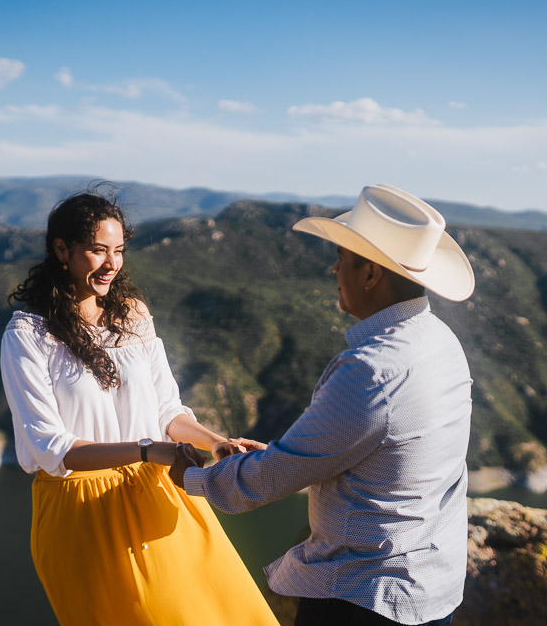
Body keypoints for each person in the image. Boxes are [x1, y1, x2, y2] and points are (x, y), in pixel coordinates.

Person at [171, 184, 476, 626]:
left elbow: (274, 477)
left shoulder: (372, 370)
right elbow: (363, 454)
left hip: (363, 597)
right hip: (429, 591)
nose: (334, 268)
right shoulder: (441, 341)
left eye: (343, 258)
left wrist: (194, 477)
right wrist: (284, 457)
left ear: (371, 274)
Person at [0, 191, 278, 626]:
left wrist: (217, 442)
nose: (112, 264)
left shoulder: (133, 315)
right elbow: (53, 448)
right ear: (61, 250)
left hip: (159, 493)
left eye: (119, 251)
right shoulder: (28, 336)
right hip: (81, 513)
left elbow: (169, 410)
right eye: (97, 250)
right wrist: (147, 450)